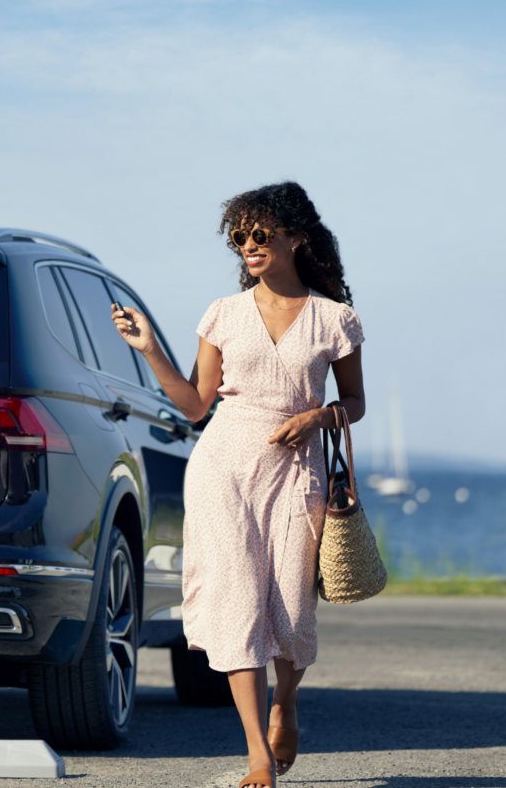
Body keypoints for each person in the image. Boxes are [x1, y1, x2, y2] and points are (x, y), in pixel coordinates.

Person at [110, 181, 365, 788]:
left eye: (259, 234)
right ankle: (256, 756)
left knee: (290, 606)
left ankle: (287, 704)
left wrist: (317, 415)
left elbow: (354, 402)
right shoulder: (222, 313)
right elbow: (196, 405)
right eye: (238, 236)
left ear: (294, 238)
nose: (247, 245)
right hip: (223, 467)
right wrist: (149, 351)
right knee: (238, 601)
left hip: (294, 472)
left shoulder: (335, 319)